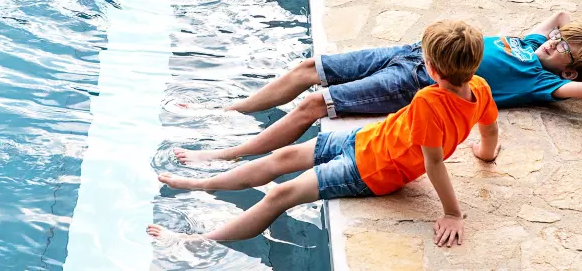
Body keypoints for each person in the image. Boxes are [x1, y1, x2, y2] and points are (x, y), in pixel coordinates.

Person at [148, 20, 499, 246]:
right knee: (283, 157)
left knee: (281, 194)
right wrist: (485, 153)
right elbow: (489, 127)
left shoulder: (428, 101)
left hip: (371, 170)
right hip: (366, 140)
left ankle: (196, 241)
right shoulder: (481, 87)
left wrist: (452, 213)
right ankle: (205, 183)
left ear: (431, 69)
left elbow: (433, 162)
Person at [173, 11, 582, 164]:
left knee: (315, 103)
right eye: (558, 39)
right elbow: (560, 15)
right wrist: (568, 39)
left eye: (564, 49)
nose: (554, 42)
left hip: (418, 78)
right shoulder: (537, 43)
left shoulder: (543, 82)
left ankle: (229, 154)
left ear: (569, 73)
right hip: (413, 50)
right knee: (310, 68)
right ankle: (230, 112)